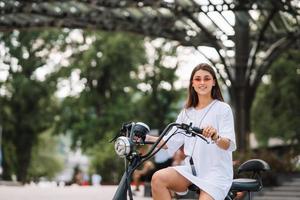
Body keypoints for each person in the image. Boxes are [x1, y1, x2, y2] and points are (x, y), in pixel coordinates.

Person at [145, 63, 236, 200]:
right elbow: (168, 142)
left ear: (214, 83)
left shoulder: (223, 109)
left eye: (207, 78)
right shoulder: (186, 113)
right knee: (158, 178)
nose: (202, 82)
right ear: (192, 84)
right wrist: (144, 137)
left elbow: (228, 144)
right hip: (192, 170)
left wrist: (216, 136)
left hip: (216, 173)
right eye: (198, 79)